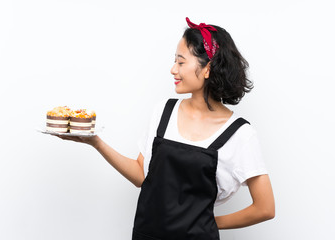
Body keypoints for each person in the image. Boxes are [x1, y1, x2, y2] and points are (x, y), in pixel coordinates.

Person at [57, 17, 275, 240]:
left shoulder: (239, 134)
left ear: (208, 68)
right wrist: (96, 143)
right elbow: (142, 176)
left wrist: (208, 223)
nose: (173, 69)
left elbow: (265, 207)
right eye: (175, 61)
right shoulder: (164, 112)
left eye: (181, 62)